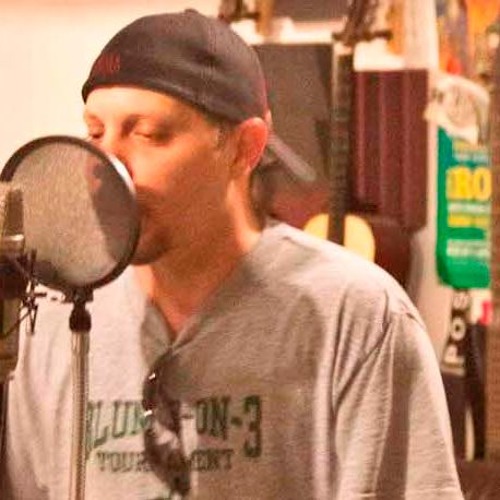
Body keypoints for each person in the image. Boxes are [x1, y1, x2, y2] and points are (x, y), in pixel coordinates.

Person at [0, 9, 464, 500]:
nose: (104, 165)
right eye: (96, 133)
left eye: (147, 134)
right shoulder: (51, 322)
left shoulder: (359, 319)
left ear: (245, 148)